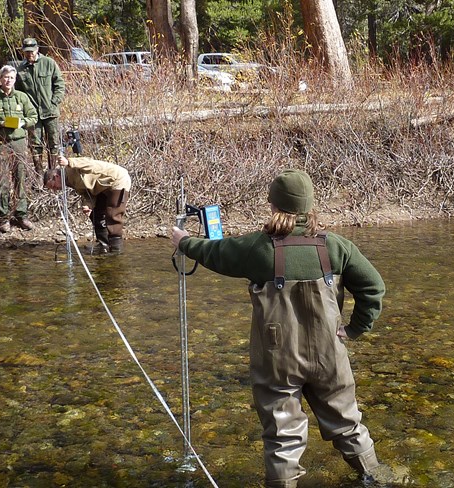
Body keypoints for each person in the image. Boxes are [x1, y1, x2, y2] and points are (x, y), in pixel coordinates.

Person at [171, 169, 405, 487]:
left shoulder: (256, 249)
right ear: (310, 206)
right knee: (348, 424)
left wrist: (184, 242)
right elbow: (374, 287)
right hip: (329, 356)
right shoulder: (336, 247)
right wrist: (355, 329)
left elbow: (214, 253)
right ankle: (378, 479)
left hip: (277, 359)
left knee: (282, 438)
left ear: (273, 206)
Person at [0, 65, 38, 233]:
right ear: (0, 78)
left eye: (11, 77)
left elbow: (33, 117)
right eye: (5, 77)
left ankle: (21, 215)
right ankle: (3, 217)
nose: (8, 80)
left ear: (15, 79)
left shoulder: (22, 97)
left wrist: (23, 122)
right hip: (1, 143)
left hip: (19, 142)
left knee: (20, 178)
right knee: (3, 179)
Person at [44, 155, 131, 253]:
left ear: (57, 177)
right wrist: (87, 205)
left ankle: (116, 250)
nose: (55, 190)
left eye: (53, 186)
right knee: (96, 213)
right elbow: (87, 192)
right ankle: (104, 245)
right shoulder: (69, 181)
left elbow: (89, 163)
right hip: (102, 188)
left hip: (117, 180)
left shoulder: (72, 168)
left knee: (112, 214)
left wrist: (69, 162)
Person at [15, 37, 66, 172]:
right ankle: (39, 175)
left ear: (37, 49)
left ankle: (53, 173)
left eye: (32, 51)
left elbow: (59, 85)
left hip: (50, 112)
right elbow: (18, 94)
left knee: (53, 143)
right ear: (23, 52)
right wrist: (22, 110)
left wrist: (54, 102)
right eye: (27, 52)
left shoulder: (49, 63)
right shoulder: (20, 70)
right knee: (35, 145)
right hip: (32, 115)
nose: (30, 54)